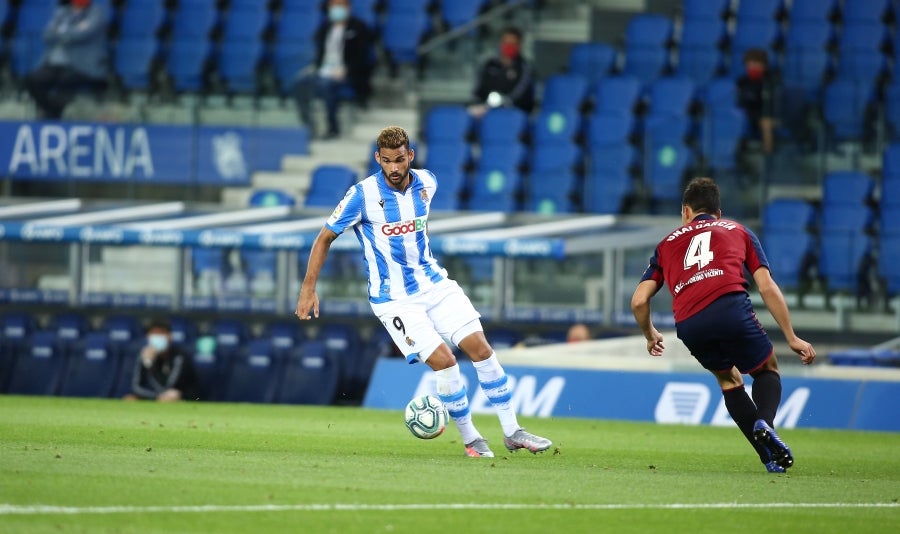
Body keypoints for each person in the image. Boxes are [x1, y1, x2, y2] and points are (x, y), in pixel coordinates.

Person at [295, 126, 552, 458]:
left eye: (400, 159)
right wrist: (308, 288)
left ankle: (512, 431)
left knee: (482, 350)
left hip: (435, 284)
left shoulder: (427, 183)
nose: (394, 168)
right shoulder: (361, 195)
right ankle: (472, 439)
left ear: (410, 156)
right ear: (378, 159)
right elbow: (324, 238)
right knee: (445, 362)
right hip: (394, 299)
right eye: (386, 161)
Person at [630, 177, 816, 473]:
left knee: (729, 380)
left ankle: (768, 457)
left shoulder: (666, 244)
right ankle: (765, 424)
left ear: (686, 211)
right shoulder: (738, 230)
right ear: (718, 213)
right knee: (766, 369)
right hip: (729, 307)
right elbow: (767, 286)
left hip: (690, 323)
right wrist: (791, 337)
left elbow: (639, 301)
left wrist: (649, 334)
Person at [294, 0, 373, 139]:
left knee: (326, 85)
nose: (336, 9)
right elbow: (320, 54)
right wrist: (315, 67)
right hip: (323, 71)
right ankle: (309, 126)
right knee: (300, 83)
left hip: (346, 74)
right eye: (333, 6)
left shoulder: (359, 28)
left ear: (348, 8)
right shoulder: (325, 28)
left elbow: (363, 58)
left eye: (340, 6)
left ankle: (333, 127)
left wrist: (346, 70)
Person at [24, 0, 109, 120]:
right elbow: (47, 35)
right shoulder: (62, 13)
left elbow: (83, 34)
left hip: (82, 65)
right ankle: (51, 111)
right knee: (33, 80)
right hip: (55, 63)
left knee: (65, 80)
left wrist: (62, 31)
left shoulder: (96, 13)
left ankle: (51, 114)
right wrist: (72, 31)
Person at [468, 25, 536, 119]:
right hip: (486, 111)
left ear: (519, 45)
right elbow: (478, 90)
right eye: (506, 42)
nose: (508, 46)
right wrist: (482, 103)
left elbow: (520, 95)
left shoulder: (524, 67)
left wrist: (501, 102)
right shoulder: (490, 64)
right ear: (500, 43)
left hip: (514, 113)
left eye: (512, 43)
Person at [124, 319, 198, 402]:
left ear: (170, 336)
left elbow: (167, 387)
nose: (158, 337)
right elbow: (136, 387)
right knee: (130, 399)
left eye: (161, 333)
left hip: (183, 399)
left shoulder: (180, 356)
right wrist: (155, 397)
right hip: (160, 398)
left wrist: (150, 365)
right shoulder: (144, 354)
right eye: (154, 334)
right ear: (147, 337)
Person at [736, 48, 777, 154]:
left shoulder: (771, 81)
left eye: (756, 64)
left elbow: (774, 103)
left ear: (763, 65)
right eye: (750, 64)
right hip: (747, 113)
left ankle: (768, 154)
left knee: (766, 123)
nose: (753, 67)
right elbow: (739, 102)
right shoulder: (742, 81)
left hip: (766, 114)